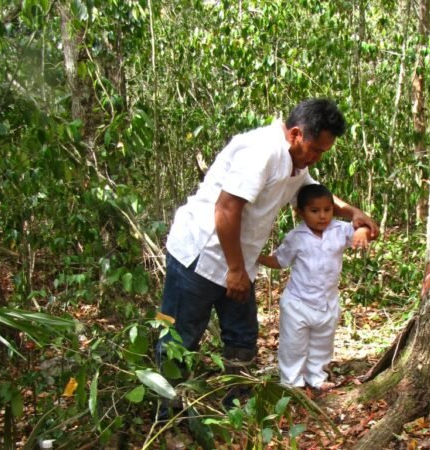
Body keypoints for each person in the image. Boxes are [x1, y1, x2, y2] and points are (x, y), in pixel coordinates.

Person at [156, 98, 378, 402]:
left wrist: (352, 213)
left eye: (322, 153)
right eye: (315, 150)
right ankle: (168, 417)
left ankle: (236, 408)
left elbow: (312, 193)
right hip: (198, 255)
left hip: (238, 262)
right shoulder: (262, 151)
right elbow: (226, 209)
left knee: (242, 336)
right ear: (297, 134)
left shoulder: (296, 163)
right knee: (177, 338)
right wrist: (235, 269)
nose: (316, 158)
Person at [258, 183, 372, 390]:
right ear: (300, 212)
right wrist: (255, 256)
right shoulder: (296, 237)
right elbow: (280, 261)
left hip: (327, 301)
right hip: (298, 303)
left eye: (327, 210)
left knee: (322, 343)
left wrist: (362, 231)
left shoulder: (339, 230)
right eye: (314, 211)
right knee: (293, 345)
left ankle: (316, 378)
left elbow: (368, 229)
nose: (322, 216)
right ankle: (292, 384)